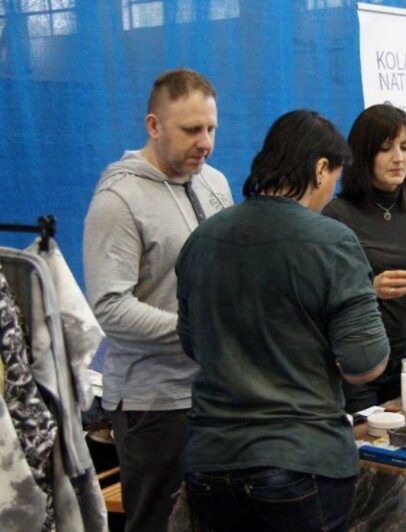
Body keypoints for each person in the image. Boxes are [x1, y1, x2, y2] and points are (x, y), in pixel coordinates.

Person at [176, 110, 390, 531]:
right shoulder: (331, 241)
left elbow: (193, 344)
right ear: (320, 169)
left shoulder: (202, 239)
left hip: (211, 460)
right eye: (333, 181)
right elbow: (366, 363)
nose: (330, 195)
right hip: (300, 458)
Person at [83, 68, 233, 532]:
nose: (205, 143)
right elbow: (110, 307)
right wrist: (198, 332)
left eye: (211, 128)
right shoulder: (119, 199)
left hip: (220, 393)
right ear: (153, 126)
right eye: (191, 130)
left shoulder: (215, 183)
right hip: (154, 404)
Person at [323, 103, 406, 413]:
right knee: (365, 440)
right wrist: (370, 289)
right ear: (363, 154)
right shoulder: (337, 214)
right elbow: (322, 300)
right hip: (357, 362)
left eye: (405, 147)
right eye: (385, 148)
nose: (399, 158)